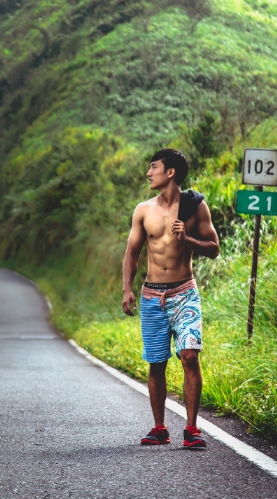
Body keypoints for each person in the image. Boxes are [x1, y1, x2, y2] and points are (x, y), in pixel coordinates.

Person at [122, 148, 220, 449]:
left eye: (153, 167)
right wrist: (127, 289)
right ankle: (160, 428)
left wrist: (187, 239)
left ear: (170, 172)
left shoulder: (195, 206)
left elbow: (214, 247)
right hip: (152, 296)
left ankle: (191, 428)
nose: (149, 173)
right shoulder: (143, 210)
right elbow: (132, 252)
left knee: (189, 356)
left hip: (184, 293)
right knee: (156, 363)